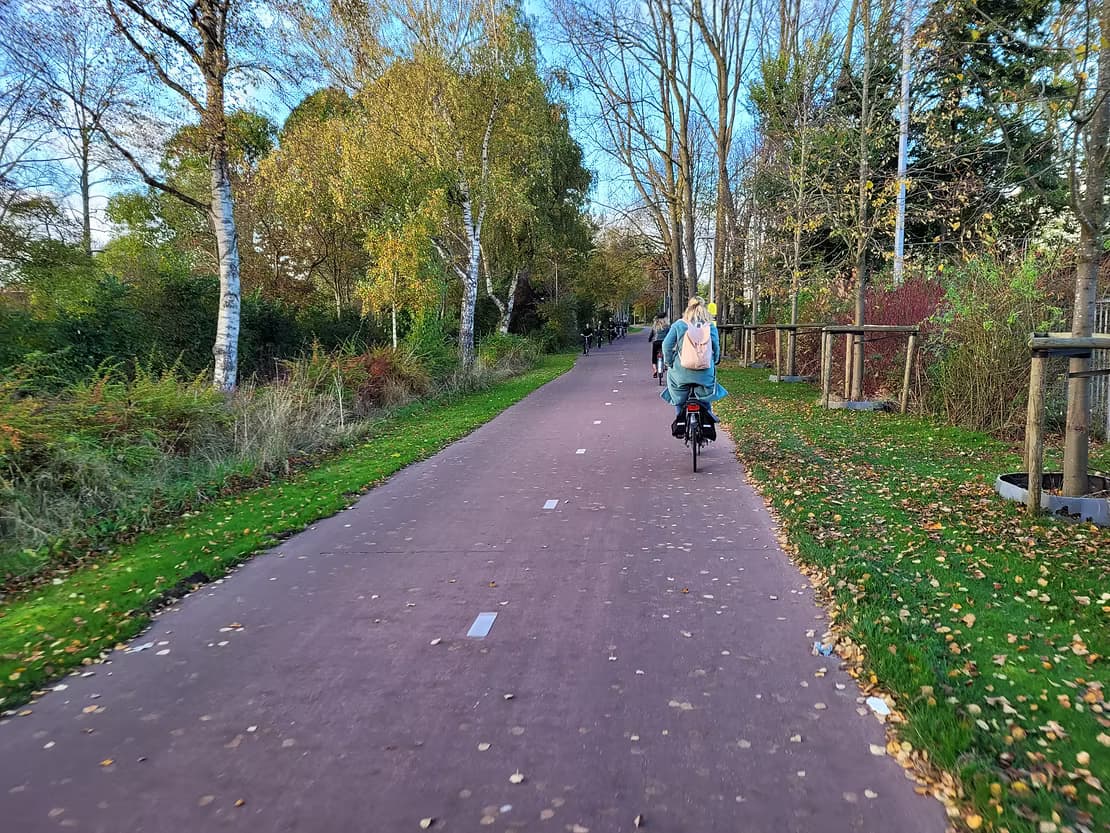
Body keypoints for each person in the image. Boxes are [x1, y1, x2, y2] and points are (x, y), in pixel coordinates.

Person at [660, 297, 728, 432]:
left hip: (681, 373)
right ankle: (707, 418)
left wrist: (669, 362)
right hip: (704, 373)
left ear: (688, 308)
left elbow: (666, 345)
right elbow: (716, 347)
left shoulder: (679, 325)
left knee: (678, 395)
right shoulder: (709, 326)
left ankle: (680, 420)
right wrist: (714, 360)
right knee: (705, 395)